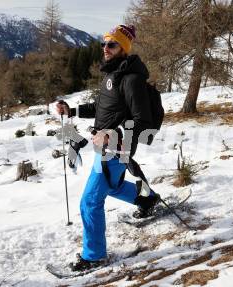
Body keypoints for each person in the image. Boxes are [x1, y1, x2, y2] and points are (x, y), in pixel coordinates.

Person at [56, 24, 161, 272]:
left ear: (123, 48)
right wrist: (73, 110)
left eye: (112, 44)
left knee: (90, 202)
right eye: (103, 43)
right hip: (104, 146)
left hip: (115, 148)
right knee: (111, 186)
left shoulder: (132, 79)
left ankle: (94, 256)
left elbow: (142, 119)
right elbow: (103, 109)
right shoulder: (112, 75)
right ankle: (148, 200)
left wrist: (116, 138)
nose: (105, 48)